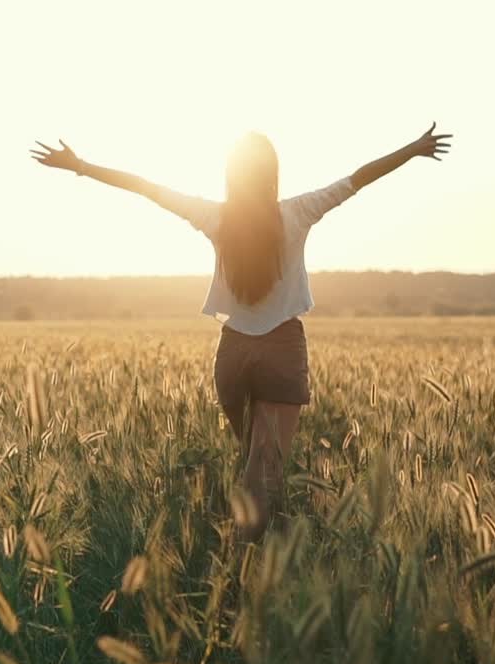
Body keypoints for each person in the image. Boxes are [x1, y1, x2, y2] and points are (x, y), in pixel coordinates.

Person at [30, 125, 452, 540]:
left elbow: (146, 186)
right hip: (282, 350)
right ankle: (243, 567)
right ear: (273, 174)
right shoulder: (299, 211)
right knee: (263, 477)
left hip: (231, 356)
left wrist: (80, 165)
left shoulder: (215, 217)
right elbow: (359, 178)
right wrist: (413, 149)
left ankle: (256, 549)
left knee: (255, 465)